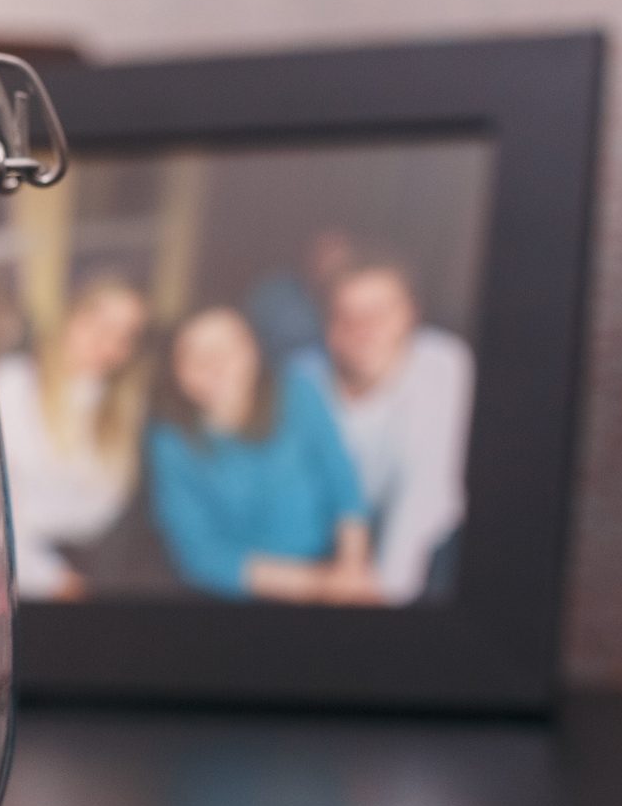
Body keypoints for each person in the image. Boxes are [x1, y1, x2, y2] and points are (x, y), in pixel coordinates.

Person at [146, 306, 377, 602]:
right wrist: (319, 584)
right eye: (195, 354)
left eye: (228, 347)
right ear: (175, 370)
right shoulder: (169, 439)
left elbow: (343, 484)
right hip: (244, 590)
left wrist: (352, 569)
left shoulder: (297, 391)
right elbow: (198, 556)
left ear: (252, 350)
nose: (214, 364)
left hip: (332, 564)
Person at [291, 256, 474, 604]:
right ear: (327, 325)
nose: (364, 328)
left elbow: (425, 493)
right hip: (331, 539)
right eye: (346, 315)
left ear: (411, 315)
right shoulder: (301, 376)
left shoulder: (442, 363)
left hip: (426, 543)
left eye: (380, 312)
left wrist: (382, 594)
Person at [0, 276, 150, 600]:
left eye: (124, 334)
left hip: (70, 565)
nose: (104, 339)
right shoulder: (8, 384)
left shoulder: (123, 414)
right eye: (96, 319)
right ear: (69, 315)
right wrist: (48, 575)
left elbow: (97, 515)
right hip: (3, 563)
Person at [245, 228, 356, 366]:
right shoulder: (274, 295)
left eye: (339, 256)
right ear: (310, 255)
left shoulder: (356, 302)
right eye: (324, 251)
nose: (330, 263)